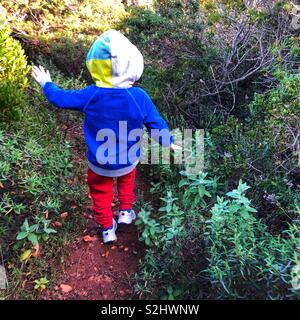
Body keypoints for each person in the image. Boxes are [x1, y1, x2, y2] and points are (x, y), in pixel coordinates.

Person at [32, 29, 181, 244]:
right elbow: (155, 122)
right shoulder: (139, 96)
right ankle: (126, 212)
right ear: (133, 63)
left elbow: (61, 98)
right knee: (126, 182)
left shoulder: (91, 94)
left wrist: (47, 84)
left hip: (99, 163)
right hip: (128, 160)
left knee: (100, 193)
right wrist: (168, 142)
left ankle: (107, 228)